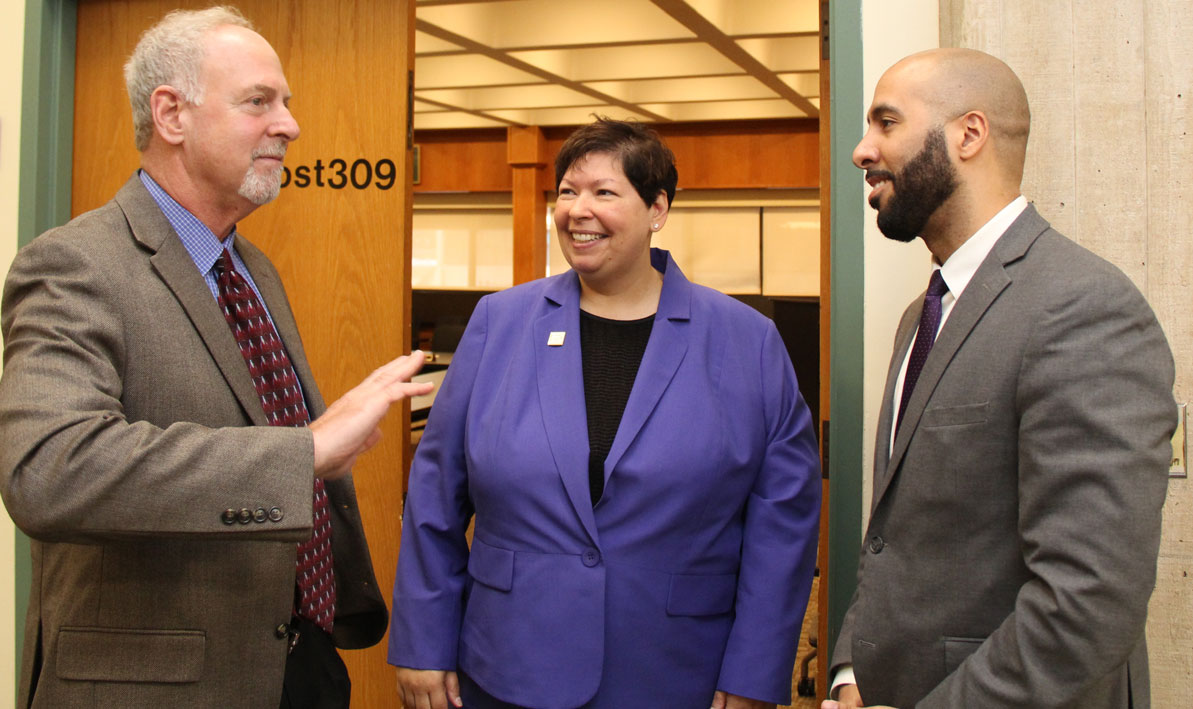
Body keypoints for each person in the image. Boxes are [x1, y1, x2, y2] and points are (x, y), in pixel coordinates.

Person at [0, 6, 431, 708]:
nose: (289, 124)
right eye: (259, 101)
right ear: (171, 114)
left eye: (285, 103)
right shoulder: (74, 265)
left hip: (298, 662)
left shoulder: (252, 267)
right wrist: (304, 454)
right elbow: (49, 468)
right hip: (159, 686)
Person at [388, 118, 821, 709]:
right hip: (507, 664)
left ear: (657, 209)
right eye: (567, 191)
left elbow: (784, 526)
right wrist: (421, 642)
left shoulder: (748, 341)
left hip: (674, 670)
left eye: (604, 192)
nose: (577, 210)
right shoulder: (501, 324)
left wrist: (754, 674)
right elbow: (434, 498)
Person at [823, 49, 1175, 709]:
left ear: (968, 134)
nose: (860, 150)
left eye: (885, 123)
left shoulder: (1083, 307)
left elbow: (1088, 602)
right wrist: (848, 668)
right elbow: (892, 537)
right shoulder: (920, 316)